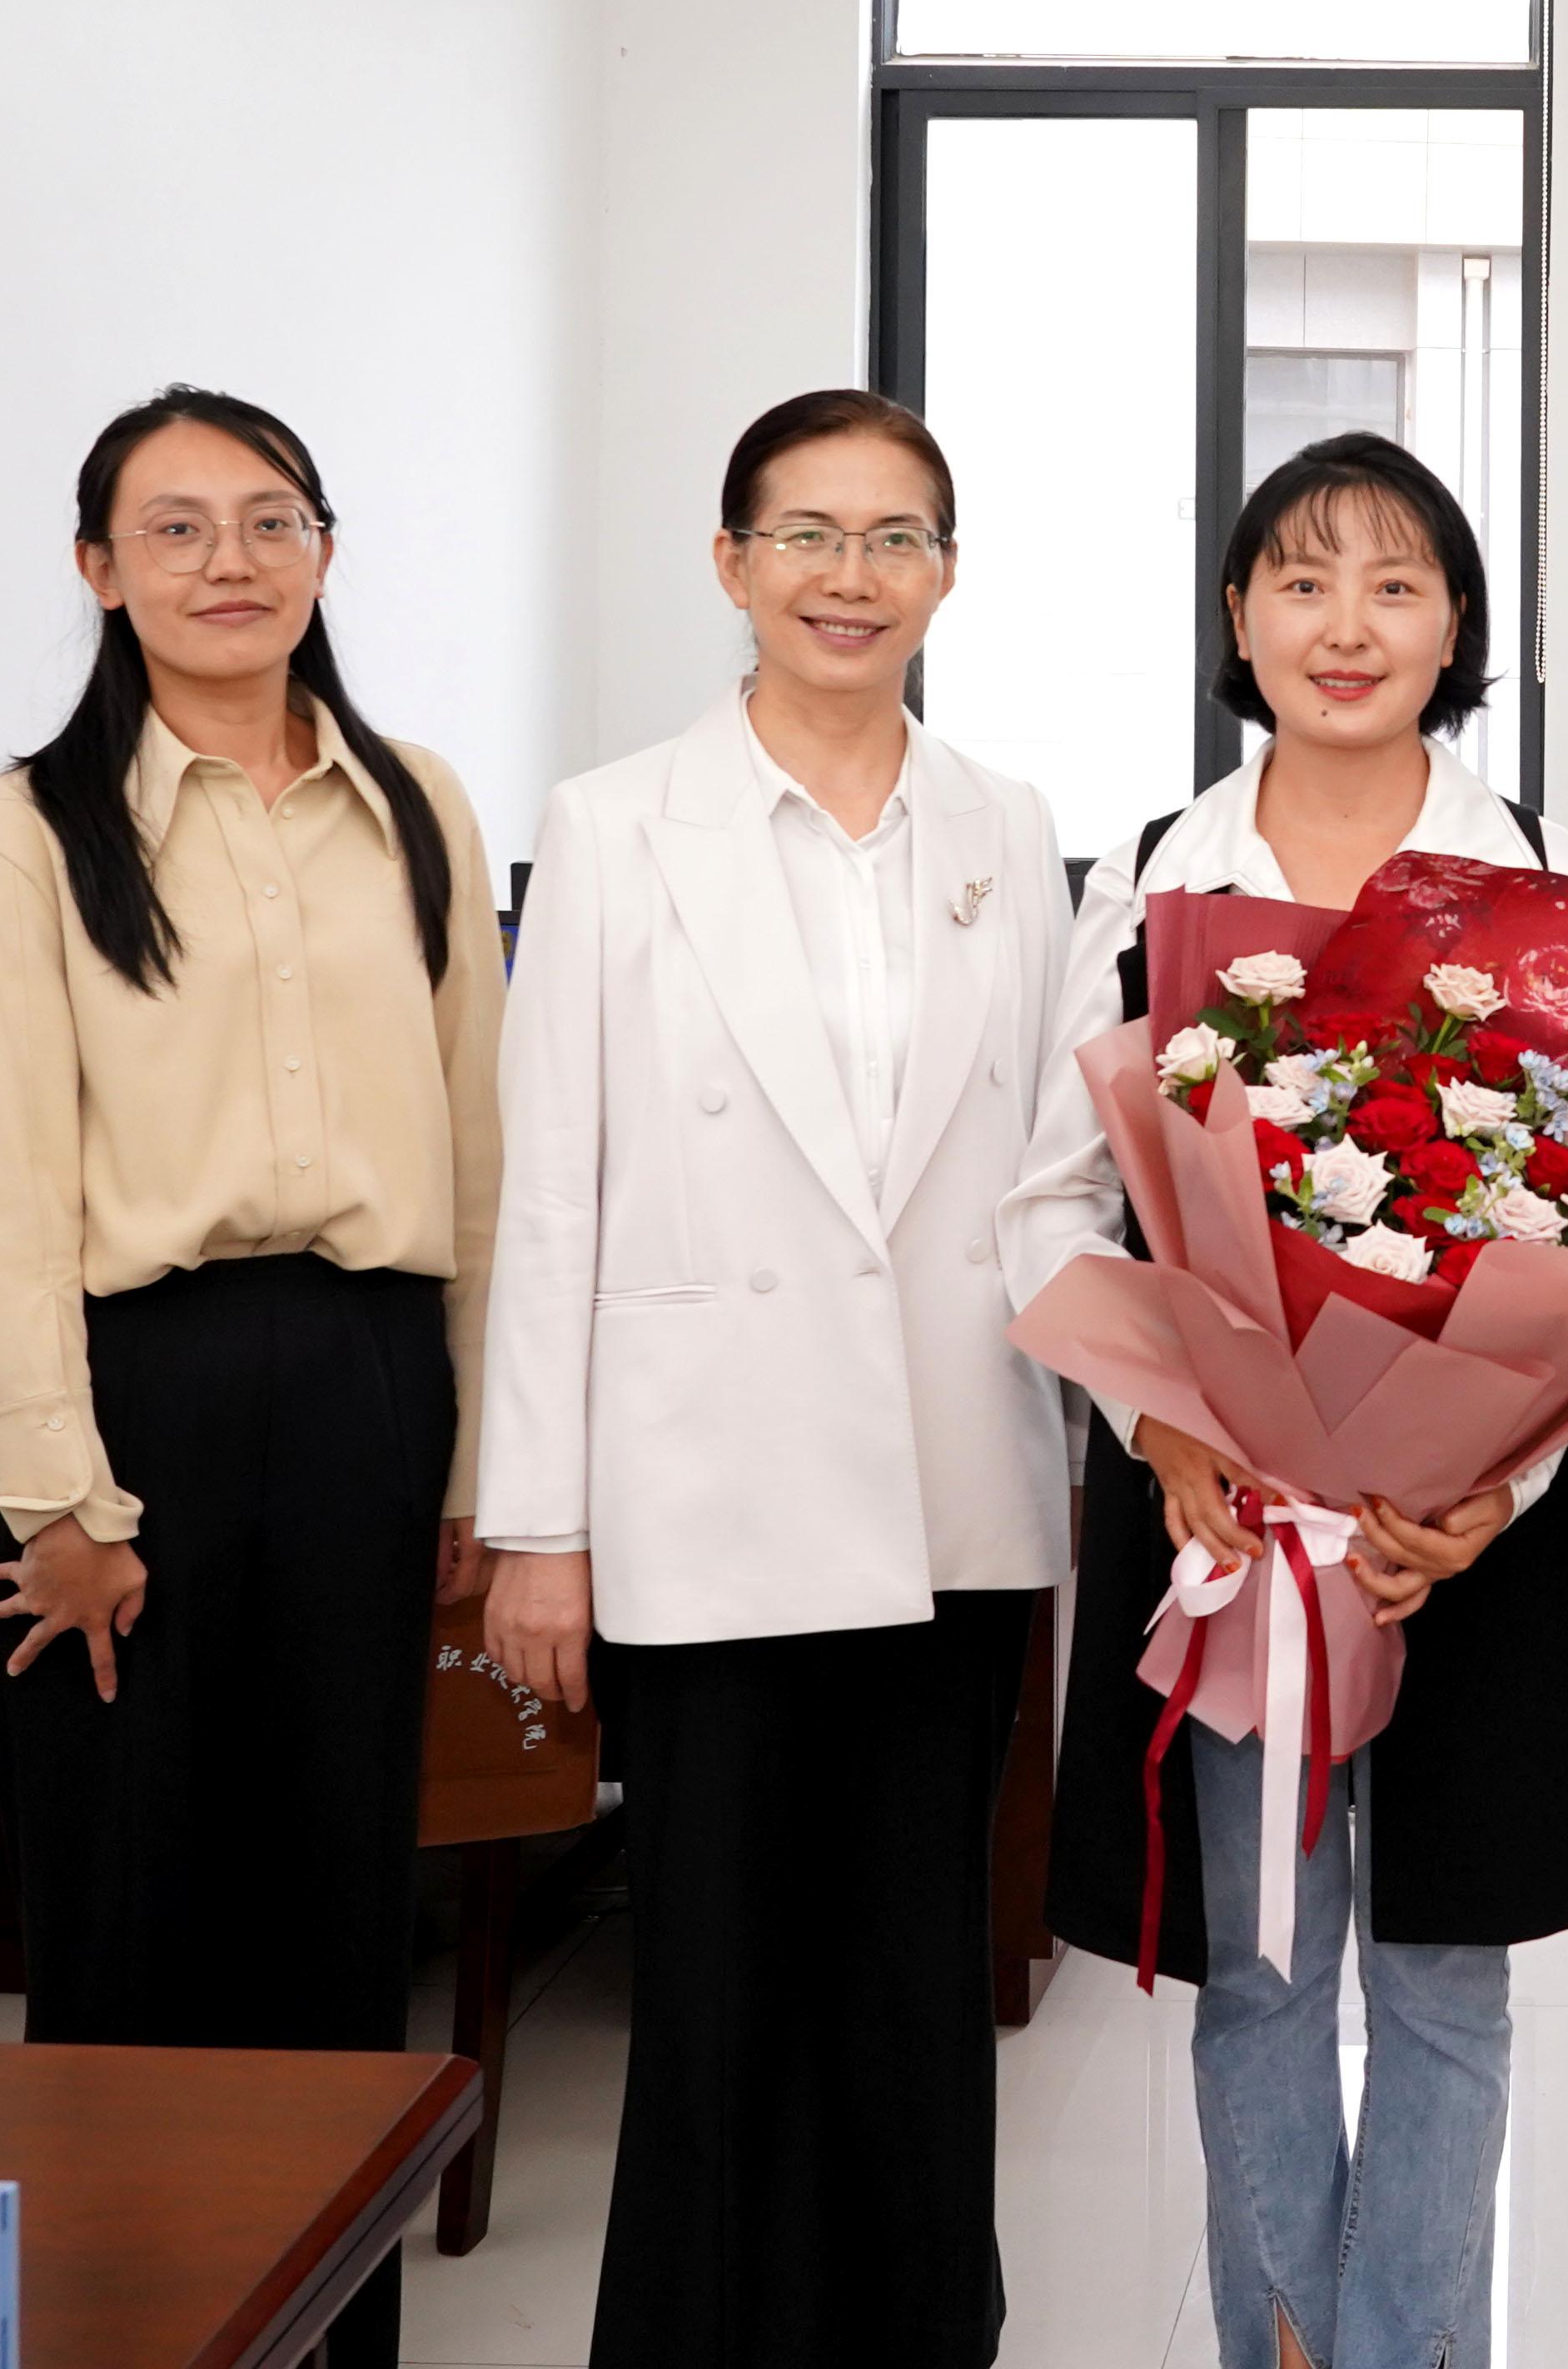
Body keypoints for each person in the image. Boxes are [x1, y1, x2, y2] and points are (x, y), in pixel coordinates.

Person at [472, 389, 1073, 2368]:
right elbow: (552, 1188)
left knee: (913, 1976)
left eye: (895, 537)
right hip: (709, 1485)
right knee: (721, 1981)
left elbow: (1051, 1168)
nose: (850, 575)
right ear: (730, 562)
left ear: (948, 574)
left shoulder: (1005, 824)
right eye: (806, 533)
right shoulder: (615, 821)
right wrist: (536, 1525)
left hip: (949, 1484)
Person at [998, 430, 1568, 2369]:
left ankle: (1405, 2350)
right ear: (1239, 617)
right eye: (1303, 578)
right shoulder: (1151, 881)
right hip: (1228, 1526)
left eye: (1396, 582)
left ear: (1456, 624)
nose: (1349, 623)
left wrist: (1502, 1480)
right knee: (1262, 1970)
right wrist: (1162, 1424)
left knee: (1445, 1979)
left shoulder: (1542, 884)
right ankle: (1282, 2339)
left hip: (1460, 1532)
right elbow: (1051, 1201)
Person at [0, 384, 502, 2369]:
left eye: (268, 519)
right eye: (173, 527)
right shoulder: (31, 828)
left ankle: (337, 2341)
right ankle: (123, 2326)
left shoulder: (418, 803)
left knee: (340, 1903)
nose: (227, 561)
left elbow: (482, 1155)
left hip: (368, 1377)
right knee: (130, 1907)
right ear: (99, 569)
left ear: (326, 549)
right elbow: (0, 1183)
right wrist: (57, 1500)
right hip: (137, 1397)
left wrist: (476, 1463)